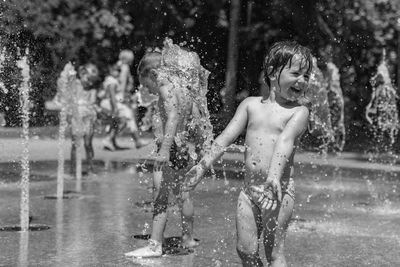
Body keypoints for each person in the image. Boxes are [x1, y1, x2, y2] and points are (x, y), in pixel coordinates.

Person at [183, 41, 313, 266]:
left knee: (274, 252)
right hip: (249, 191)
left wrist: (273, 177)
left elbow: (285, 141)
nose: (302, 81)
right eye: (296, 74)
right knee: (245, 249)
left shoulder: (299, 112)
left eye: (306, 76)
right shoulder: (250, 105)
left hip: (278, 192)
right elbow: (225, 138)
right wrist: (202, 166)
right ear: (272, 73)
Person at [125, 38, 213, 258]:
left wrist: (164, 149)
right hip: (183, 149)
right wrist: (201, 147)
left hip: (170, 149)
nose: (148, 90)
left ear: (154, 74)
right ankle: (188, 238)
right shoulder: (184, 90)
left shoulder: (165, 87)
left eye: (147, 85)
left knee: (160, 198)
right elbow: (197, 118)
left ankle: (155, 244)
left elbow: (172, 117)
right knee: (184, 196)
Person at [115, 49, 149, 149]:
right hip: (121, 97)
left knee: (123, 119)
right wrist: (122, 98)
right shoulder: (125, 67)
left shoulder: (119, 65)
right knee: (129, 117)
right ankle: (137, 141)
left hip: (119, 96)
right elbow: (122, 83)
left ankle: (110, 140)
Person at [70, 63, 99, 175]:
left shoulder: (92, 90)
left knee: (87, 143)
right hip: (77, 118)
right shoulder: (76, 85)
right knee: (75, 144)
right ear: (82, 74)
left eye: (92, 81)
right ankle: (73, 170)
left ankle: (90, 168)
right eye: (88, 79)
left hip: (88, 118)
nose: (90, 83)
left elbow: (92, 103)